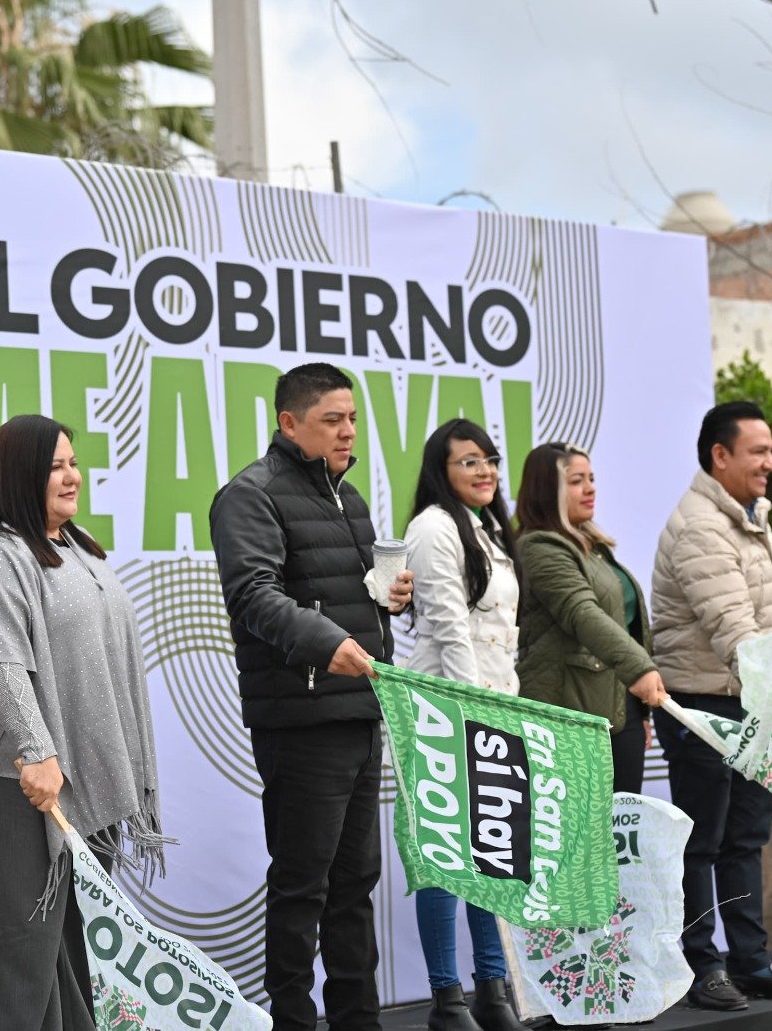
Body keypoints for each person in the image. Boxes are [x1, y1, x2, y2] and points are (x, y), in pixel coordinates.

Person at [0, 414, 167, 1031]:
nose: (73, 476)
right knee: (25, 954)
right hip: (20, 784)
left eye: (73, 463)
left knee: (81, 953)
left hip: (83, 782)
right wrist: (39, 752)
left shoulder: (75, 546)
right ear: (20, 475)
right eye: (55, 467)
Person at [210, 362, 413, 1031]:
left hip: (360, 711)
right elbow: (253, 596)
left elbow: (343, 595)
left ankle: (359, 1020)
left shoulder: (348, 498)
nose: (348, 431)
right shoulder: (250, 496)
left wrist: (390, 600)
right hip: (301, 721)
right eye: (332, 420)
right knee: (303, 889)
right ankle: (293, 1022)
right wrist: (328, 643)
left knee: (355, 887)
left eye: (352, 418)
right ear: (289, 423)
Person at [650, 402, 772, 1011]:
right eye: (759, 451)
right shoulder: (701, 526)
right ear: (720, 456)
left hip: (752, 703)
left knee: (746, 838)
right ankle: (703, 968)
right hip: (703, 705)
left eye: (771, 451)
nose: (771, 463)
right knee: (702, 842)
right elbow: (736, 631)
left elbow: (768, 628)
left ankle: (752, 963)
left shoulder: (749, 516)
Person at [401, 419, 527, 1031]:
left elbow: (502, 637)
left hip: (496, 710)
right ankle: (447, 1001)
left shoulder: (491, 528)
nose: (484, 471)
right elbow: (450, 629)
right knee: (444, 860)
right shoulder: (432, 527)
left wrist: (503, 715)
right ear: (441, 471)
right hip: (445, 712)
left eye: (490, 460)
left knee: (492, 859)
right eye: (468, 461)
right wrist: (475, 717)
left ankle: (493, 991)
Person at [514, 443, 668, 796]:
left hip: (620, 710)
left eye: (592, 478)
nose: (590, 489)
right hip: (571, 715)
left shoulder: (592, 545)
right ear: (546, 490)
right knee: (581, 828)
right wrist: (640, 669)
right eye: (576, 481)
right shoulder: (539, 547)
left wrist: (639, 713)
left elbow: (624, 623)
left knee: (620, 825)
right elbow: (582, 612)